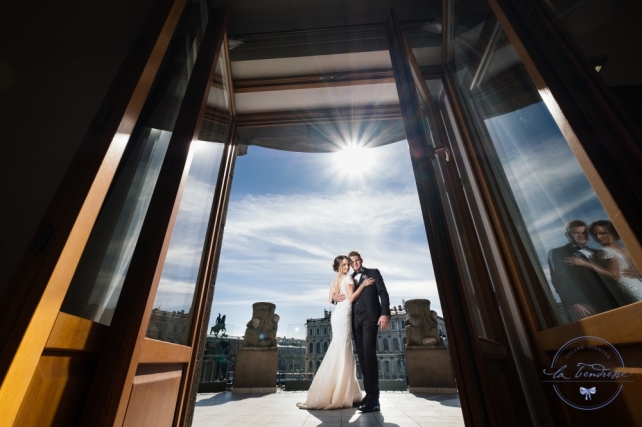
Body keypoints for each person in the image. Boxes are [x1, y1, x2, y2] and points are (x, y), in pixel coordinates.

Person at [296, 255, 373, 410]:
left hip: (337, 315)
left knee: (338, 349)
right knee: (344, 351)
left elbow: (329, 299)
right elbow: (351, 298)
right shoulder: (348, 279)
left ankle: (332, 391)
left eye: (347, 265)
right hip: (343, 316)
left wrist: (335, 298)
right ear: (338, 266)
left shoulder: (334, 281)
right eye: (344, 265)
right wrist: (363, 285)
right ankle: (340, 393)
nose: (347, 267)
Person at [333, 251, 390, 413]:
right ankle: (368, 395)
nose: (354, 264)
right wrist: (334, 298)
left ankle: (374, 399)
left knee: (369, 354)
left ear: (361, 260)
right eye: (352, 262)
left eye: (356, 260)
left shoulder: (373, 273)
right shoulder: (349, 278)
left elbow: (383, 293)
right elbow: (343, 295)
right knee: (363, 357)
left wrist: (384, 313)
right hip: (355, 321)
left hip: (371, 319)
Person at [548, 220, 618, 320]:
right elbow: (559, 279)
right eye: (576, 233)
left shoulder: (597, 252)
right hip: (584, 305)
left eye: (584, 233)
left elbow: (612, 271)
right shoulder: (558, 252)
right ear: (568, 235)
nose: (582, 235)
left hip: (609, 299)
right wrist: (573, 303)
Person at [565, 220, 642, 306]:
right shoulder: (624, 248)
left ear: (611, 232)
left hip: (629, 290)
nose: (598, 237)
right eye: (595, 234)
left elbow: (615, 276)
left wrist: (585, 263)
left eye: (602, 233)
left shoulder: (605, 250)